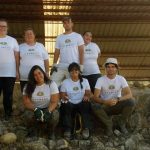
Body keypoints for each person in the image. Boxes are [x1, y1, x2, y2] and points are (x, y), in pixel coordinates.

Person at [93, 58, 135, 136]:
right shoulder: (100, 80)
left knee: (131, 101)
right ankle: (109, 125)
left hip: (117, 105)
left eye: (113, 66)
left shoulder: (121, 79)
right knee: (94, 106)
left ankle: (122, 123)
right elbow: (95, 97)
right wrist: (105, 102)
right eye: (108, 67)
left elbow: (129, 94)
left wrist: (118, 99)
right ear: (105, 68)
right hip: (105, 107)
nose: (110, 69)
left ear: (116, 68)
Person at [23, 65, 59, 139]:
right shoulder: (27, 86)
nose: (38, 76)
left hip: (48, 108)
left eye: (39, 73)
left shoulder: (51, 84)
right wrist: (35, 109)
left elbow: (54, 101)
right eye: (35, 75)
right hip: (34, 109)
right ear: (32, 77)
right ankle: (33, 131)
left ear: (43, 73)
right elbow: (26, 102)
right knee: (28, 114)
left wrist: (48, 111)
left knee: (55, 114)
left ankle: (51, 131)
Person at [60, 62, 92, 140]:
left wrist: (86, 96)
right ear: (69, 72)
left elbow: (88, 92)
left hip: (81, 103)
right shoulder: (65, 82)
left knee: (87, 103)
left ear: (79, 72)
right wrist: (65, 97)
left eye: (76, 71)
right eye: (72, 72)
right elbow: (62, 94)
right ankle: (68, 130)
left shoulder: (85, 81)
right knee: (65, 105)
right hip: (70, 103)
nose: (74, 73)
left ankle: (86, 129)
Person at [51, 16, 84, 87]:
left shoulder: (78, 36)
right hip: (61, 65)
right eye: (65, 23)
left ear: (72, 24)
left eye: (68, 22)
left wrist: (81, 65)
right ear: (63, 25)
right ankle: (58, 96)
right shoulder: (59, 37)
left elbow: (81, 51)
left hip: (74, 67)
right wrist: (54, 64)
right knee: (52, 83)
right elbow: (57, 52)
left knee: (73, 85)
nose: (67, 24)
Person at [0, 19, 19, 120]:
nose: (2, 28)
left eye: (4, 26)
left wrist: (17, 71)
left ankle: (8, 113)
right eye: (0, 26)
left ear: (7, 28)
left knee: (8, 95)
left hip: (9, 73)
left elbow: (16, 57)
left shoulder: (12, 40)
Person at [19, 28, 49, 92]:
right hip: (24, 77)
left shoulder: (40, 46)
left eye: (30, 34)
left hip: (39, 77)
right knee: (26, 96)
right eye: (27, 34)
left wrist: (47, 72)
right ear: (24, 36)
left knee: (39, 95)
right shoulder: (20, 47)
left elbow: (46, 60)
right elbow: (17, 61)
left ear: (34, 35)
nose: (29, 35)